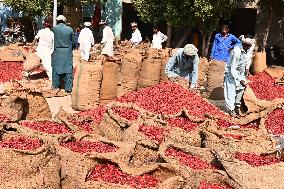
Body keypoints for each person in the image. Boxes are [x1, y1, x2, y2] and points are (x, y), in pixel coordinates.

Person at [224, 34, 256, 117]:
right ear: (242, 43)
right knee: (231, 91)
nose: (247, 46)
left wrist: (247, 71)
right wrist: (240, 79)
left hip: (241, 72)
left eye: (249, 45)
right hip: (231, 72)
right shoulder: (236, 50)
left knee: (240, 90)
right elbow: (233, 68)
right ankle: (231, 110)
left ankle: (237, 108)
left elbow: (248, 59)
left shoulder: (250, 48)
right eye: (246, 45)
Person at [51, 15, 76, 93]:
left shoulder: (54, 29)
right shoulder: (70, 29)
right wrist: (72, 48)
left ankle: (56, 86)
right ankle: (68, 88)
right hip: (67, 52)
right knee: (68, 69)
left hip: (57, 51)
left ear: (57, 21)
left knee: (56, 69)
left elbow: (51, 41)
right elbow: (74, 42)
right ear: (65, 21)